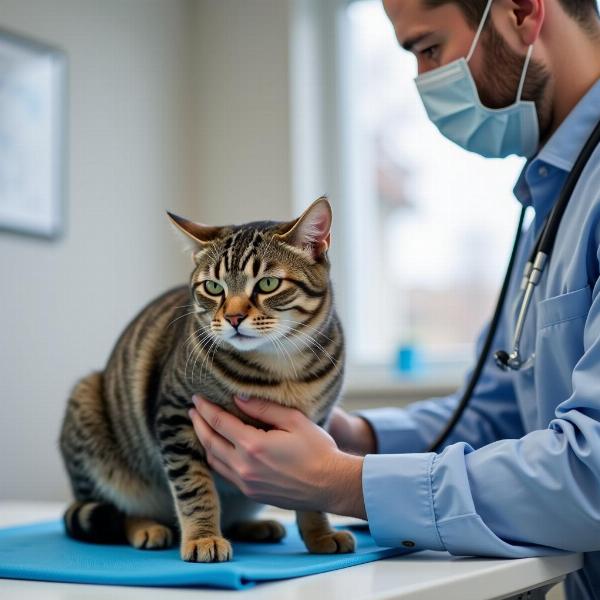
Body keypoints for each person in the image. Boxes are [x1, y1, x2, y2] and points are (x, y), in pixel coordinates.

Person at [188, 0, 600, 597]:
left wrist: (342, 482)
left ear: (520, 11)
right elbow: (497, 415)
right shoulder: (554, 196)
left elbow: (591, 473)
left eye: (429, 49)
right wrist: (352, 435)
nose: (422, 82)